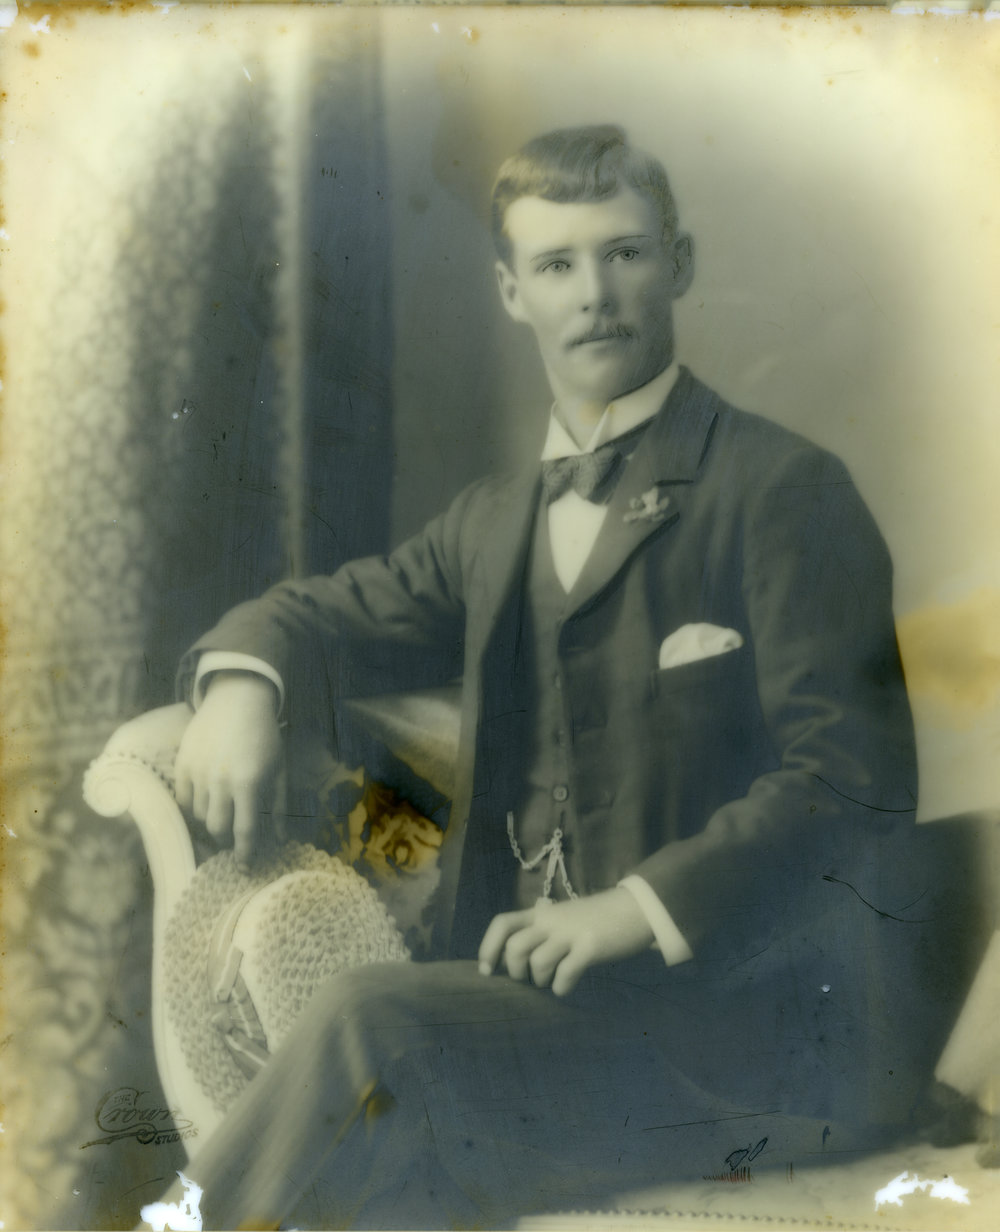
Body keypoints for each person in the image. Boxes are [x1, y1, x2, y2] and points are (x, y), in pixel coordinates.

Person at [156, 125, 940, 1229]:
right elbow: (315, 615)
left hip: (740, 1040)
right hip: (541, 1023)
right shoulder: (491, 525)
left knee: (373, 1026)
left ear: (678, 264)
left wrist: (634, 907)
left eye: (624, 254)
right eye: (557, 264)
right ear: (512, 291)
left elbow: (853, 781)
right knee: (388, 1168)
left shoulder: (783, 489)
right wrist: (242, 684)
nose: (595, 295)